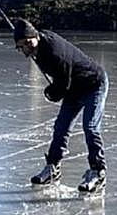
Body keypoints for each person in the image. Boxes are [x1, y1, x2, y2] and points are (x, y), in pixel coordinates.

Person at [12, 19, 108, 192]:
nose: (26, 48)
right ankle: (53, 168)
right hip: (74, 88)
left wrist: (52, 92)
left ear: (35, 37)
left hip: (93, 84)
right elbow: (64, 84)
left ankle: (98, 171)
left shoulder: (55, 52)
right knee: (61, 127)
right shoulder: (38, 47)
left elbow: (63, 84)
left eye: (28, 43)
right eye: (22, 46)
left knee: (91, 127)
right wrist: (55, 89)